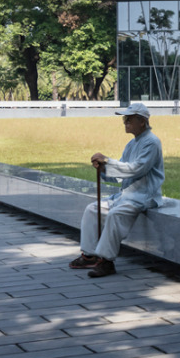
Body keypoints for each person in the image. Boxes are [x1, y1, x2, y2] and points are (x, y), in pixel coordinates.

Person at [71, 102, 163, 278]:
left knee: (115, 215)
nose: (125, 122)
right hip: (127, 194)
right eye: (125, 118)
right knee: (92, 209)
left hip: (144, 195)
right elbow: (121, 173)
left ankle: (106, 261)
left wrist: (108, 161)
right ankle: (90, 255)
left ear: (142, 121)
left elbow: (136, 169)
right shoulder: (132, 144)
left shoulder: (152, 142)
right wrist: (103, 169)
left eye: (129, 119)